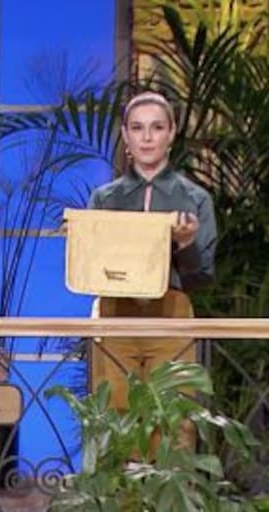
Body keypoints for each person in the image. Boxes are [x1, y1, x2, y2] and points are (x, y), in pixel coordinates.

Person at [86, 90, 217, 444]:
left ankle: (170, 483)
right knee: (115, 420)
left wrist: (186, 245)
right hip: (116, 317)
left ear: (171, 134)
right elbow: (91, 271)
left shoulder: (195, 199)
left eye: (157, 128)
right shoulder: (104, 199)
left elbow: (202, 278)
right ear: (125, 136)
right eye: (137, 128)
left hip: (171, 315)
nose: (146, 137)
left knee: (174, 420)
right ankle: (121, 484)